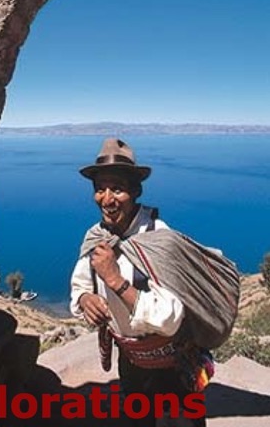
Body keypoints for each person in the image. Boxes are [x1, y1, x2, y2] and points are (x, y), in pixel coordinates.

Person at [70, 138, 208, 426]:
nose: (107, 199)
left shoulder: (160, 240)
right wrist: (85, 300)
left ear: (136, 191)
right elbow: (80, 283)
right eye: (100, 189)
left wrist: (114, 280)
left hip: (174, 364)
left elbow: (169, 318)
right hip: (131, 361)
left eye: (117, 189)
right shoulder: (96, 237)